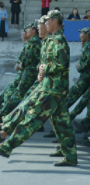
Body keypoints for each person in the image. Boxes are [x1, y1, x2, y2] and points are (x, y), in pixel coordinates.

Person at [0, 10, 78, 166]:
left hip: (53, 89)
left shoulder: (59, 40)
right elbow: (48, 64)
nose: (46, 23)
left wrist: (44, 68)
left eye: (48, 20)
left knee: (33, 118)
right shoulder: (51, 40)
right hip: (52, 86)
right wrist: (42, 70)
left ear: (55, 21)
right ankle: (70, 156)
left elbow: (61, 64)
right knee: (62, 124)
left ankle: (7, 146)